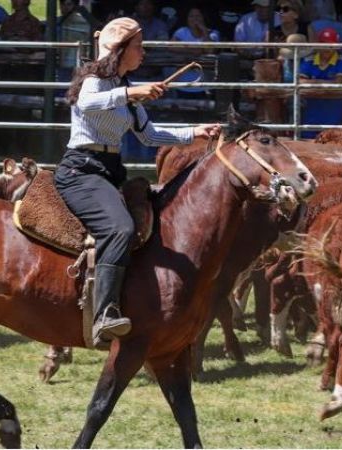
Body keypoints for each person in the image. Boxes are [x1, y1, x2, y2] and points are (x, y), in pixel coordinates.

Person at [55, 17, 220, 348]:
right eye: (139, 46)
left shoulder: (123, 89)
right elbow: (87, 104)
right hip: (82, 171)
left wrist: (195, 132)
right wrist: (131, 92)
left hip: (109, 170)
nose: (143, 53)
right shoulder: (94, 80)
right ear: (120, 50)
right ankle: (104, 314)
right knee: (119, 229)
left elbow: (150, 135)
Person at [298, 27, 342, 138]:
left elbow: (337, 83)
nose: (327, 48)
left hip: (334, 113)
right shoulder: (309, 60)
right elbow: (300, 81)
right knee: (308, 146)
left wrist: (312, 82)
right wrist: (326, 82)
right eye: (324, 43)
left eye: (331, 45)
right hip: (311, 114)